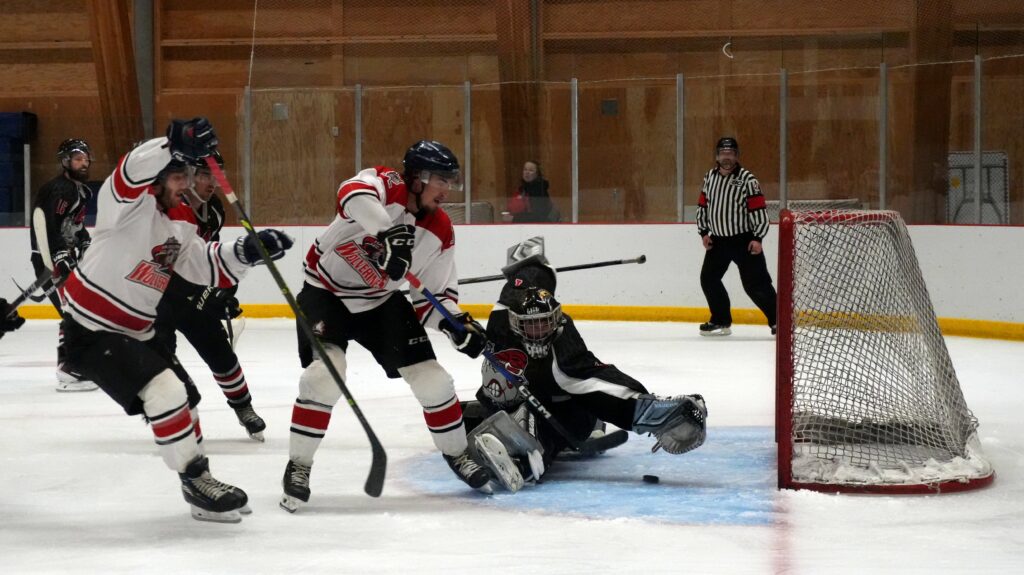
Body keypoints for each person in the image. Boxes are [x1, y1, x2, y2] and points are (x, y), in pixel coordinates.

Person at [60, 117, 294, 523]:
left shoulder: (183, 218)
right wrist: (172, 143)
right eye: (178, 175)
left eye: (187, 175)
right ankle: (195, 481)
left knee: (185, 399)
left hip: (138, 329)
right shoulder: (126, 205)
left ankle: (200, 485)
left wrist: (245, 252)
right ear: (157, 179)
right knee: (165, 391)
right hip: (92, 328)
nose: (186, 183)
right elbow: (129, 170)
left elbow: (200, 264)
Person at [281, 140, 493, 512]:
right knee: (325, 376)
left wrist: (453, 325)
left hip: (380, 302)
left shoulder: (440, 230)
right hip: (325, 293)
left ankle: (457, 453)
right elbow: (350, 192)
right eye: (441, 181)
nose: (447, 191)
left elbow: (433, 296)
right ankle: (299, 464)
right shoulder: (386, 185)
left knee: (434, 381)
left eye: (450, 182)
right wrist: (387, 233)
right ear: (418, 178)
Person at [460, 246, 708, 493]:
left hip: (560, 408)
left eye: (545, 323)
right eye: (531, 326)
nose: (539, 332)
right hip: (508, 401)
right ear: (516, 322)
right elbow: (525, 285)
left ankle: (525, 460)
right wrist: (530, 268)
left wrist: (644, 408)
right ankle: (488, 431)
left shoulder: (561, 341)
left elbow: (590, 378)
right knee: (489, 411)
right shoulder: (502, 317)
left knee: (551, 419)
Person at [156, 152, 267, 442]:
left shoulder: (214, 208)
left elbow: (208, 257)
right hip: (157, 295)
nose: (213, 182)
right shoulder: (170, 210)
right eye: (205, 174)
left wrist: (223, 291)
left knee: (220, 352)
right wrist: (202, 293)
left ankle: (243, 407)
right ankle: (171, 418)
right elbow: (162, 269)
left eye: (216, 175)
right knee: (162, 360)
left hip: (190, 294)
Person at [29, 138, 98, 392]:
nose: (84, 163)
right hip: (51, 260)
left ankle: (73, 364)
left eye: (85, 158)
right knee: (72, 312)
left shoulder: (81, 191)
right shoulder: (59, 189)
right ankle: (68, 368)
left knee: (76, 311)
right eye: (78, 159)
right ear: (66, 161)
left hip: (65, 258)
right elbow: (49, 225)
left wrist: (84, 240)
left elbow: (74, 225)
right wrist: (59, 254)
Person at [695, 137, 777, 336]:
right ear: (717, 156)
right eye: (723, 153)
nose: (727, 157)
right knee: (708, 279)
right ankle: (720, 320)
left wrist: (758, 238)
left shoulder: (748, 179)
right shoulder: (710, 177)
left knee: (756, 285)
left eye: (730, 153)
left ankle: (779, 322)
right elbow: (703, 206)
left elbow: (758, 209)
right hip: (718, 242)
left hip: (744, 241)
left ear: (736, 156)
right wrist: (704, 232)